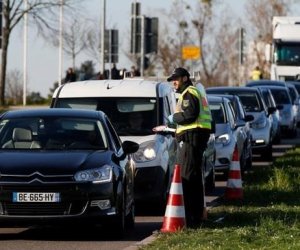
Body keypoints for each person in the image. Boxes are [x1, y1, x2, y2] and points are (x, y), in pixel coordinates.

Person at [167, 67, 212, 228]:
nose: (174, 82)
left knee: (187, 178)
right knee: (194, 178)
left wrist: (174, 117)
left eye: (176, 79)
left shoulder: (189, 93)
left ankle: (191, 219)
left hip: (191, 139)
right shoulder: (195, 92)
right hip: (195, 138)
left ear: (185, 78)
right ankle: (197, 217)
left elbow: (190, 115)